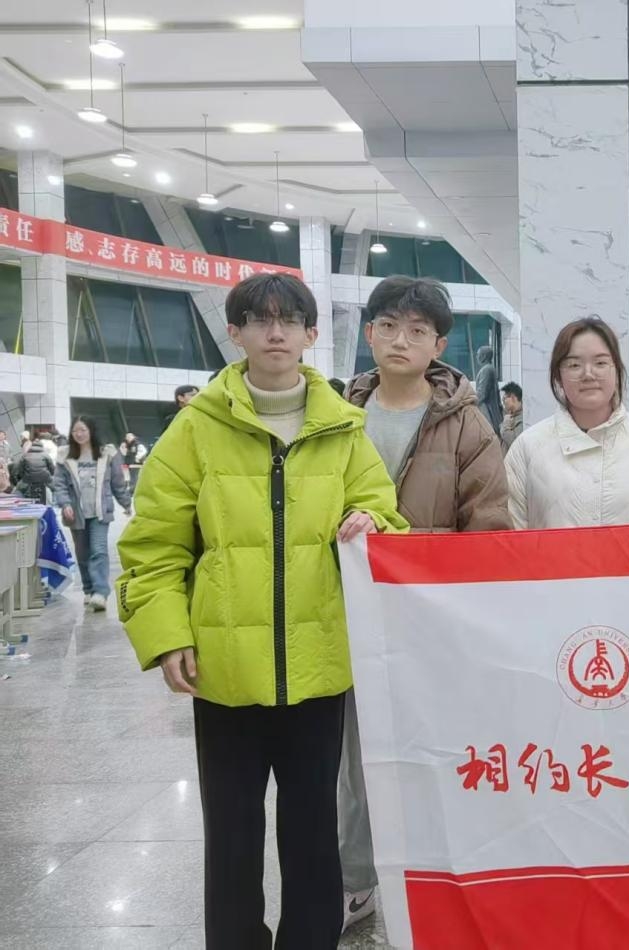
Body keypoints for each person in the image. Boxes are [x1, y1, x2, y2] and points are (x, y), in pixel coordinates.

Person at [115, 273, 407, 950]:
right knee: (232, 832)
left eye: (289, 320)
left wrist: (372, 521)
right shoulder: (195, 429)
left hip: (319, 665)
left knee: (313, 830)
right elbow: (152, 544)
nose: (275, 332)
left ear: (310, 335)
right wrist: (167, 636)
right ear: (236, 333)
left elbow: (386, 513)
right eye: (259, 319)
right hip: (224, 670)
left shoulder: (343, 430)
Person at [341, 275, 510, 930]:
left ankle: (445, 877)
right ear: (369, 334)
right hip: (344, 619)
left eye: (417, 331)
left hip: (429, 624)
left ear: (438, 345)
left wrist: (405, 554)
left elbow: (488, 531)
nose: (400, 340)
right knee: (353, 764)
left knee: (435, 754)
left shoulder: (467, 424)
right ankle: (356, 882)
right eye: (388, 326)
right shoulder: (335, 417)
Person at [505, 317, 629, 528]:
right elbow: (511, 535)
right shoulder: (527, 448)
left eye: (600, 363)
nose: (588, 374)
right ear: (558, 376)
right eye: (574, 365)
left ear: (616, 370)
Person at [52, 417, 132, 612]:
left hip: (100, 512)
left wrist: (126, 503)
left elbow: (117, 481)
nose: (79, 434)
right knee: (82, 554)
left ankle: (100, 593)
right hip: (76, 513)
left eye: (83, 430)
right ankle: (89, 589)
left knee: (99, 550)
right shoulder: (64, 456)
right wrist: (65, 503)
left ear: (91, 431)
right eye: (75, 431)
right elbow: (59, 484)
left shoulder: (107, 453)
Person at [13, 436, 55, 503]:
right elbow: (52, 469)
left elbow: (20, 470)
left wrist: (24, 476)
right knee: (55, 490)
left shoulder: (25, 455)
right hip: (45, 479)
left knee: (18, 490)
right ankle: (53, 504)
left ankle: (16, 503)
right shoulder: (46, 455)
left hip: (28, 479)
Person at [475, 344, 503, 432]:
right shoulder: (489, 368)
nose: (476, 357)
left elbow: (482, 393)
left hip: (488, 411)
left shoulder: (486, 370)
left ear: (484, 356)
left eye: (478, 354)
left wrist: (470, 401)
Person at [500, 381, 523, 449]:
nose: (503, 402)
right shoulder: (511, 415)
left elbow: (514, 442)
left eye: (504, 398)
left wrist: (505, 428)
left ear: (513, 398)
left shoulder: (523, 419)